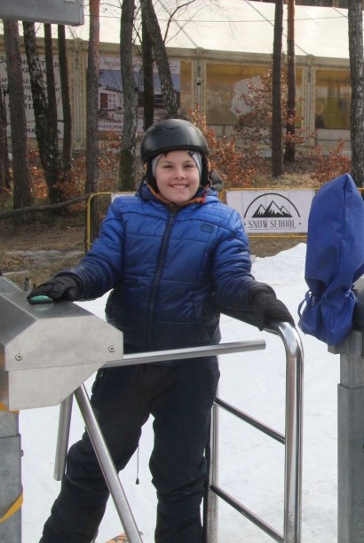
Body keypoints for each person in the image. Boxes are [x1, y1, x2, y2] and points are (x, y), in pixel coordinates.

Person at [30, 118, 293, 543]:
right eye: (167, 166)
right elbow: (103, 263)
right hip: (129, 359)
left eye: (188, 165)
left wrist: (257, 297)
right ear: (151, 171)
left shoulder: (222, 220)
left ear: (203, 170)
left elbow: (230, 277)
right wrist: (72, 282)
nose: (179, 176)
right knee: (95, 462)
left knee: (181, 473)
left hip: (189, 366)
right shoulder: (126, 212)